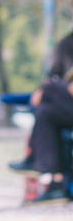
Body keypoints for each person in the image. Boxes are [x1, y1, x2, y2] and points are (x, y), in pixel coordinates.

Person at [9, 29, 73, 201]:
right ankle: (57, 184)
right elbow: (55, 73)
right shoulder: (67, 43)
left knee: (48, 92)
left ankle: (33, 160)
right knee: (46, 112)